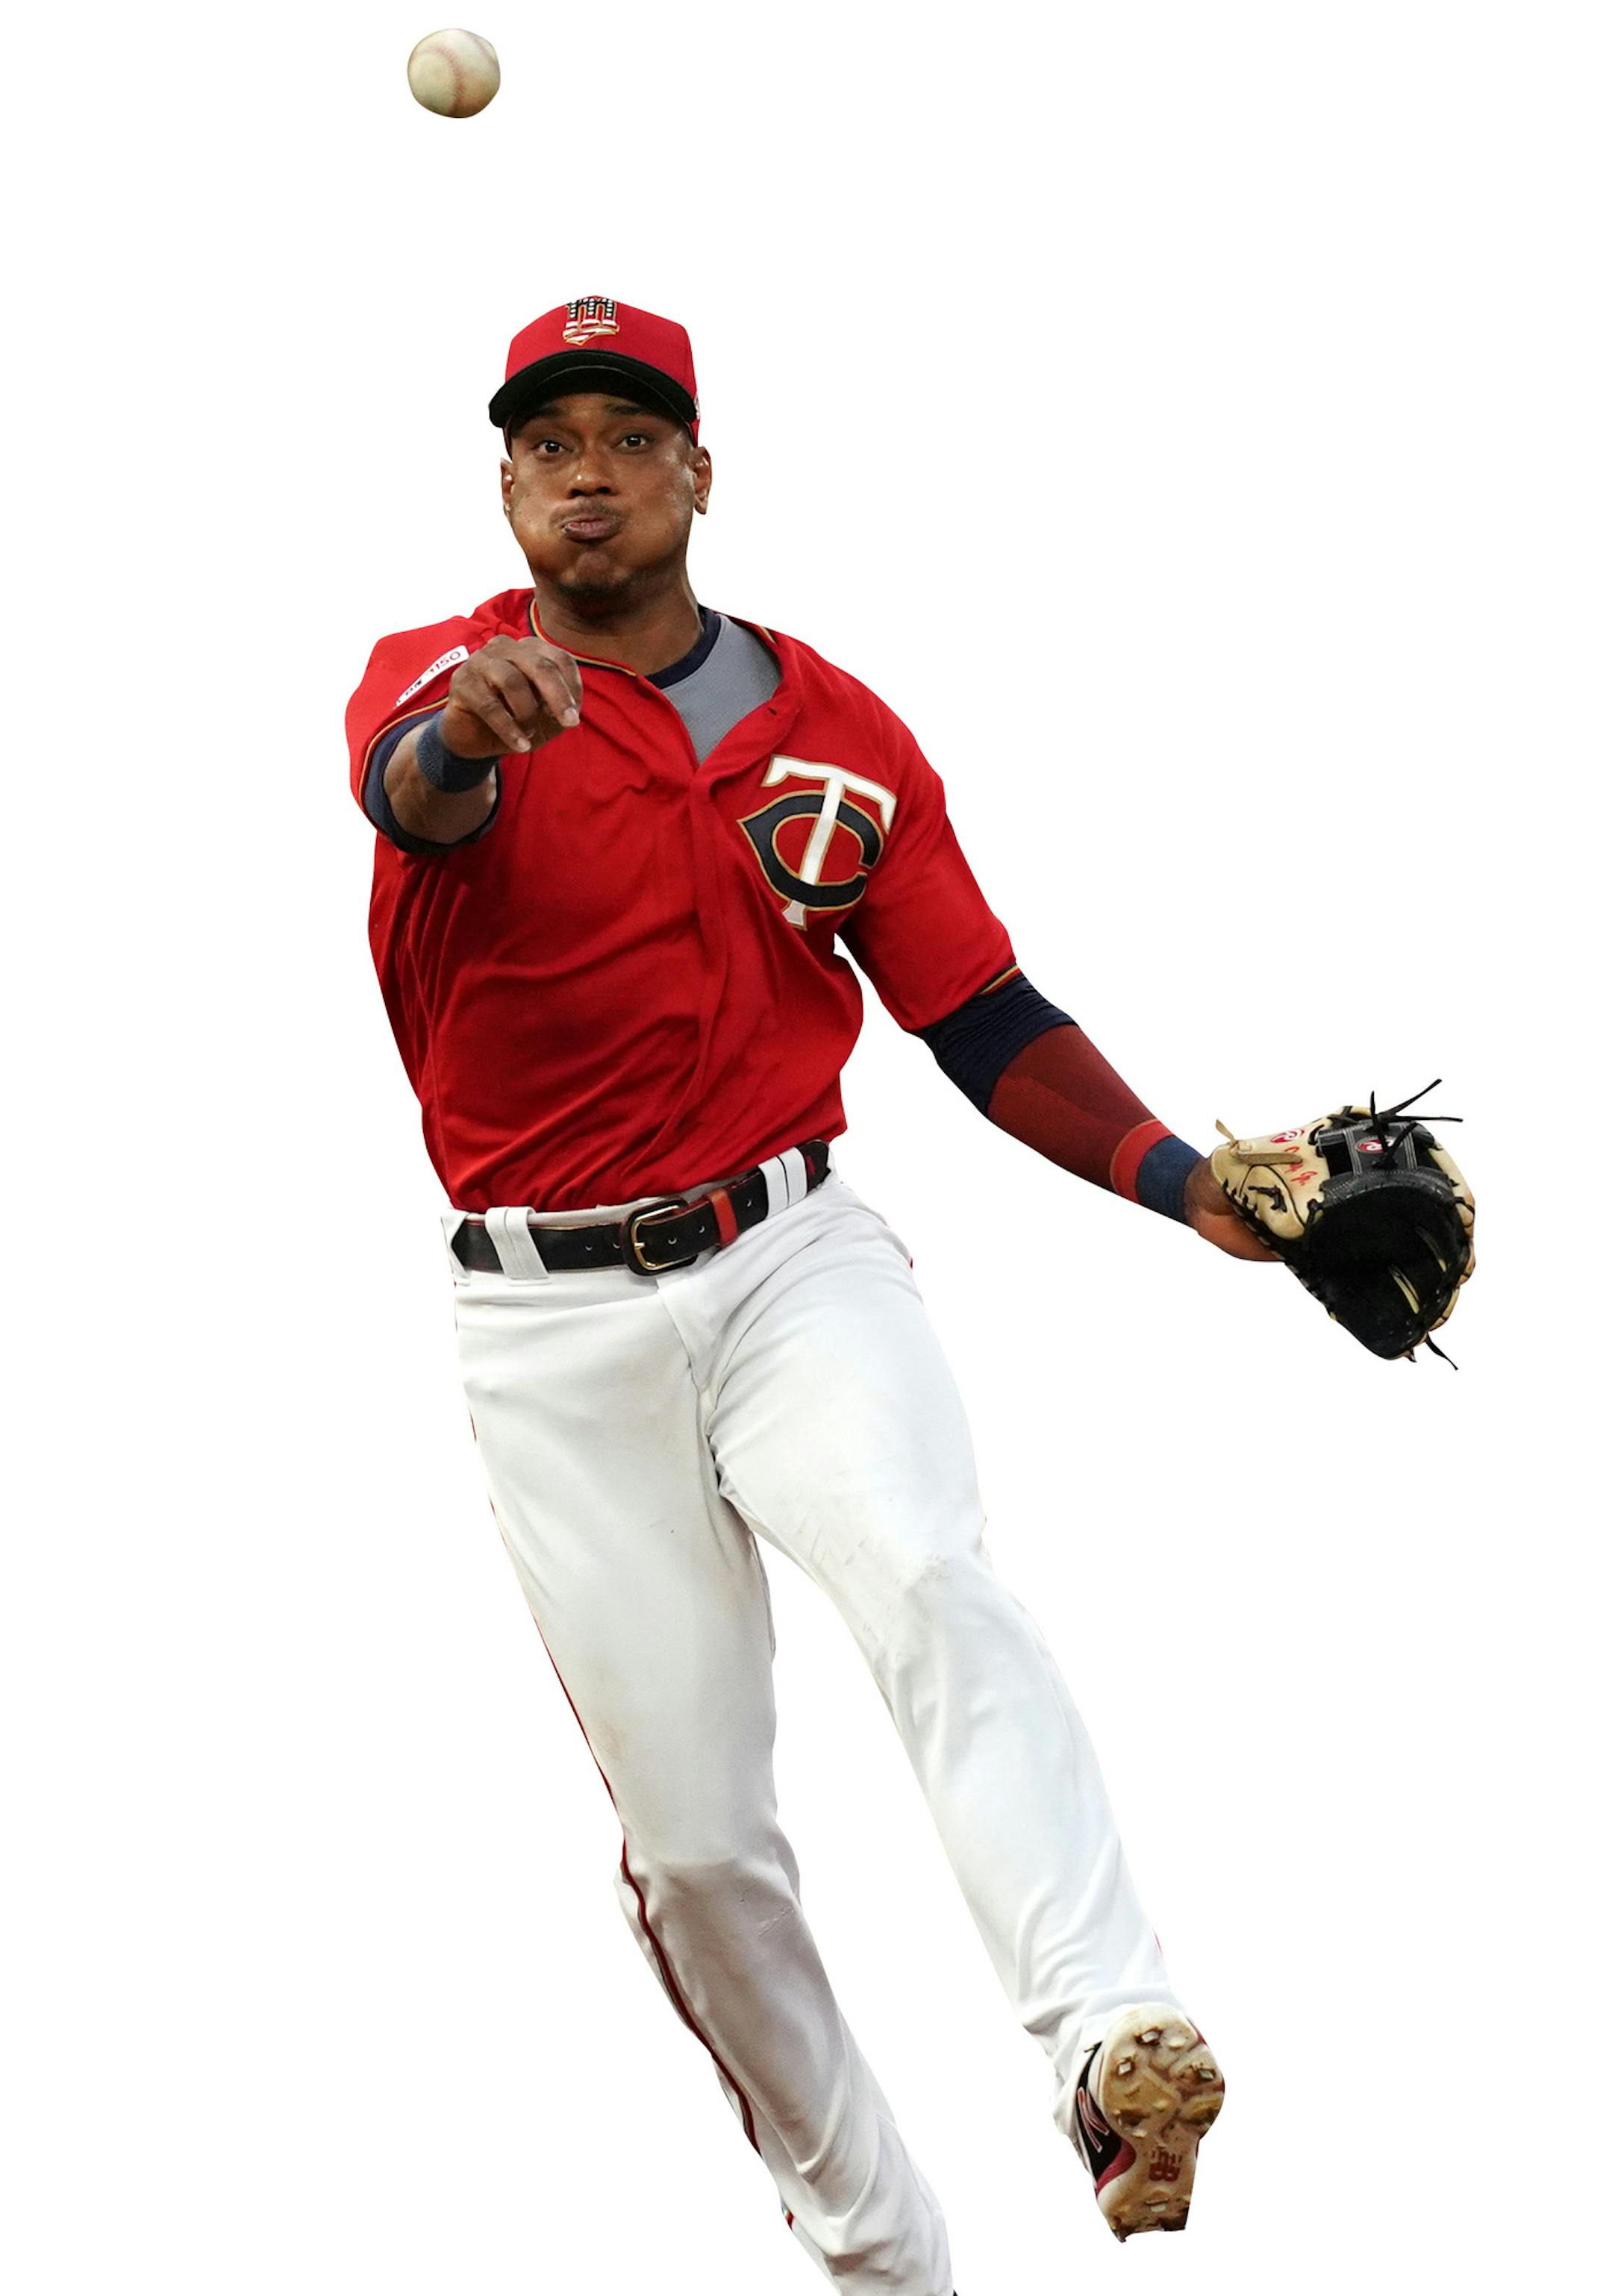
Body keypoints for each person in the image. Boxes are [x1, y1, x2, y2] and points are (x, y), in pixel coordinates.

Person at [346, 295, 1265, 2295]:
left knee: (934, 1574)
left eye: (629, 430)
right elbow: (413, 788)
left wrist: (1189, 1186)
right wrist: (456, 743)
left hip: (791, 1260)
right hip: (550, 1325)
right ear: (505, 484)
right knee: (697, 1855)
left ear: (698, 471)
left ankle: (1115, 2046)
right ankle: (880, 2259)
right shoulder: (438, 685)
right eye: (548, 437)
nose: (588, 464)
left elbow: (978, 1010)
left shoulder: (833, 728)